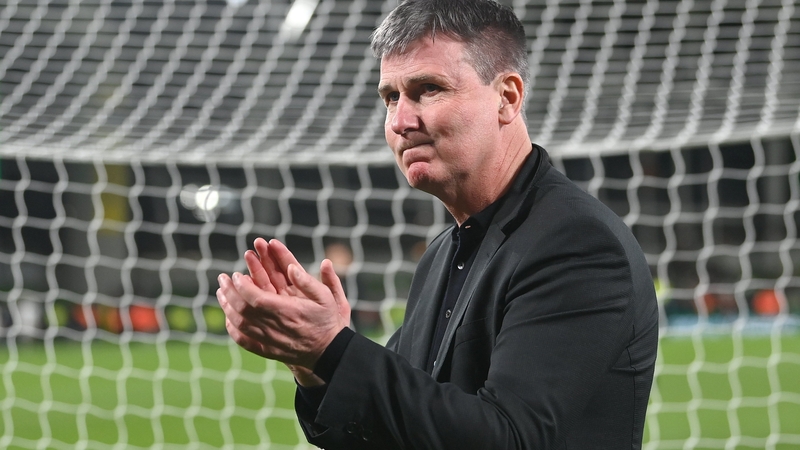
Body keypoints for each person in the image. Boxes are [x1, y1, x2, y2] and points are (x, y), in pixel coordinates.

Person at [216, 0, 660, 448]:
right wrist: (311, 364)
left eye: (428, 89)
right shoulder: (443, 253)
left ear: (507, 98)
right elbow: (401, 429)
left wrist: (332, 349)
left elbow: (507, 439)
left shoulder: (576, 243)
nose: (401, 121)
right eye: (391, 97)